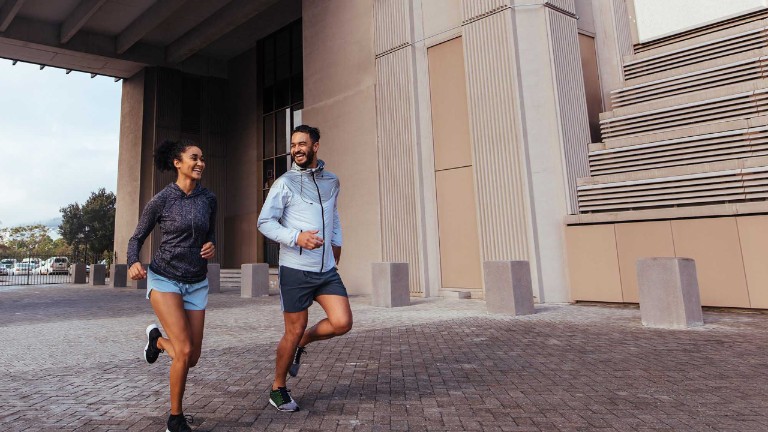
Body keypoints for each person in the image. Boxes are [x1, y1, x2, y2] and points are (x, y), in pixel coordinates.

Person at [257, 125, 353, 412]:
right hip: (296, 269)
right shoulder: (284, 183)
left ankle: (303, 342)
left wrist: (337, 242)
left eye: (302, 144)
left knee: (342, 322)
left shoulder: (332, 181)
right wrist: (296, 237)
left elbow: (333, 214)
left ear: (316, 146)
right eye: (293, 144)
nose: (296, 149)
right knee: (292, 330)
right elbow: (264, 222)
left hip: (325, 270)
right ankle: (278, 388)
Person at [127, 139, 217, 432]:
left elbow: (210, 235)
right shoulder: (162, 200)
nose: (200, 162)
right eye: (194, 157)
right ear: (178, 163)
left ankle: (157, 342)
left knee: (191, 357)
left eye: (202, 158)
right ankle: (175, 419)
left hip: (196, 282)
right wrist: (133, 262)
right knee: (185, 348)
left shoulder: (209, 199)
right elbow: (136, 238)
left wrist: (210, 246)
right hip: (165, 277)